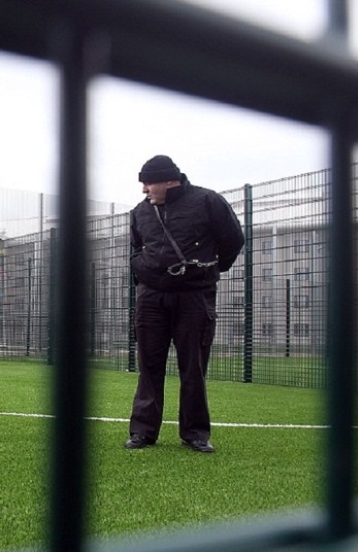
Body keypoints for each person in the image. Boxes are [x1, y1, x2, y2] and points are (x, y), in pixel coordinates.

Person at [125, 155, 244, 453]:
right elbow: (136, 247)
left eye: (148, 183)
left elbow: (233, 239)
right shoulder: (140, 212)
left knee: (194, 367)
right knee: (149, 366)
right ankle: (142, 432)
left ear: (169, 181)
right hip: (151, 298)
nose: (144, 190)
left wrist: (207, 271)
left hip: (195, 297)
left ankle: (195, 434)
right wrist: (142, 270)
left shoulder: (208, 202)